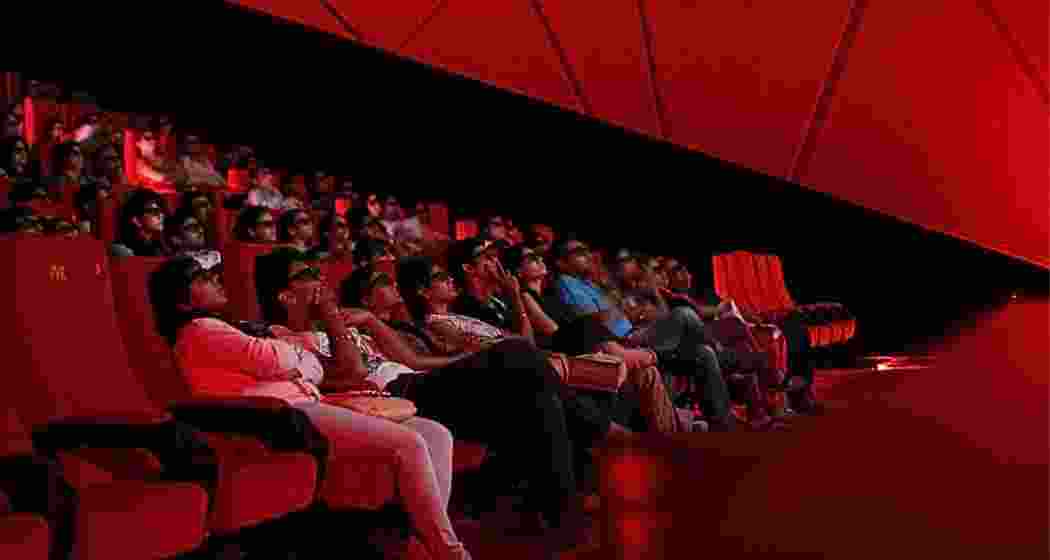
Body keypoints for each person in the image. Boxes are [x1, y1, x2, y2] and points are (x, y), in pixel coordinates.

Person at [149, 254, 471, 560]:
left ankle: (421, 541)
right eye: (202, 278)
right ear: (182, 301)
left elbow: (305, 366)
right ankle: (448, 551)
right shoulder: (199, 331)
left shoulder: (228, 329)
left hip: (311, 401)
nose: (216, 280)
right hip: (281, 415)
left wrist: (292, 359)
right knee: (410, 443)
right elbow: (280, 359)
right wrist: (294, 358)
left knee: (435, 432)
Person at [551, 237, 737, 431]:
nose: (587, 255)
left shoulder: (590, 284)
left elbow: (631, 315)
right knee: (684, 314)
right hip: (622, 341)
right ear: (561, 263)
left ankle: (722, 424)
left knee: (704, 353)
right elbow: (593, 323)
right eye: (579, 253)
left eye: (586, 250)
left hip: (635, 332)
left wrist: (639, 308)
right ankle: (724, 357)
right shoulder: (567, 285)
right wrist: (627, 310)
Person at [111, 189, 171, 257]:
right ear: (136, 220)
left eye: (162, 211)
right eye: (154, 211)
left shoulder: (161, 245)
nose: (161, 215)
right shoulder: (122, 250)